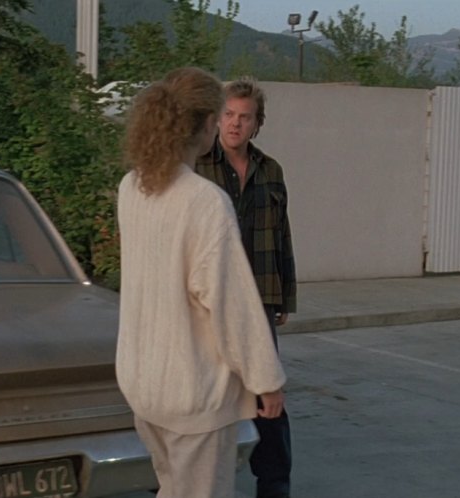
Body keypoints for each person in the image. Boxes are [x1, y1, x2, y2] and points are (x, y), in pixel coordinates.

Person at [117, 66, 287, 498]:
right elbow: (231, 306)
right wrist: (266, 380)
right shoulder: (205, 201)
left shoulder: (132, 187)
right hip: (192, 391)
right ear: (209, 122)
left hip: (145, 385)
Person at [195, 77, 297, 498]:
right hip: (210, 301)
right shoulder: (196, 167)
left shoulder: (270, 170)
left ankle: (274, 486)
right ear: (217, 118)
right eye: (229, 115)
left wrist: (284, 295)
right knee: (206, 395)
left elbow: (282, 235)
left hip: (259, 299)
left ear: (258, 123)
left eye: (245, 117)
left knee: (267, 397)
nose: (236, 124)